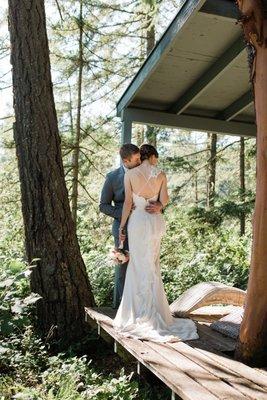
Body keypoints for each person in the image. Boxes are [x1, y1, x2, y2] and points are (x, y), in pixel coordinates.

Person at [113, 144, 199, 342]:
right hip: (155, 221)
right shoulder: (160, 174)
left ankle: (139, 313)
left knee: (138, 265)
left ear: (138, 157)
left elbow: (127, 203)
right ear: (151, 156)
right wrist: (159, 205)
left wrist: (122, 227)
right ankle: (156, 312)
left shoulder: (130, 174)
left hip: (138, 222)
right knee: (152, 264)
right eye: (156, 157)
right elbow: (165, 199)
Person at [99, 143, 163, 309]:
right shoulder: (112, 177)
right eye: (135, 160)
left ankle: (145, 304)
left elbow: (157, 194)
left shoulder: (147, 172)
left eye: (140, 157)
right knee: (124, 265)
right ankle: (123, 306)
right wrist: (123, 212)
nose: (139, 161)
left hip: (144, 224)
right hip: (123, 225)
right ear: (126, 161)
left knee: (145, 262)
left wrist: (160, 205)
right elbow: (103, 205)